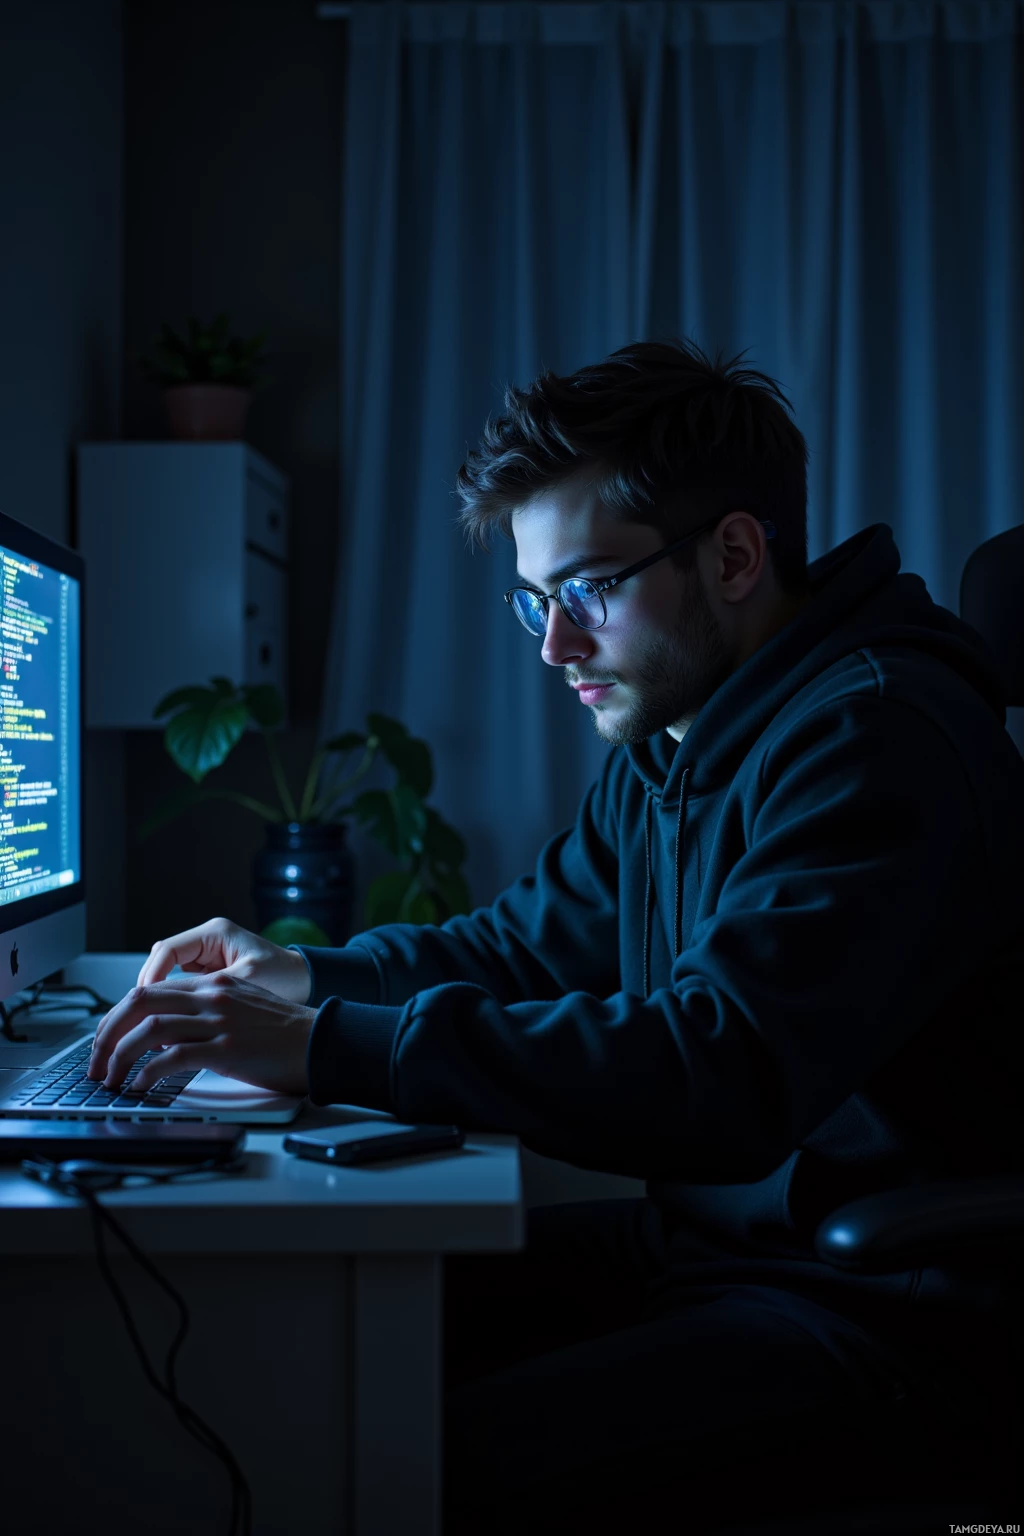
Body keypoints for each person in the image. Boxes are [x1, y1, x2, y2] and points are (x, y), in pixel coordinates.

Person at [88, 339, 1023, 1532]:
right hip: (719, 1252)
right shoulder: (677, 739)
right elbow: (523, 947)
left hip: (885, 1306)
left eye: (588, 590)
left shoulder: (878, 741)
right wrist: (304, 972)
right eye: (534, 599)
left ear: (735, 555)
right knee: (300, 1337)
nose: (553, 647)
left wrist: (323, 1047)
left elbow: (714, 1070)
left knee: (399, 1458)